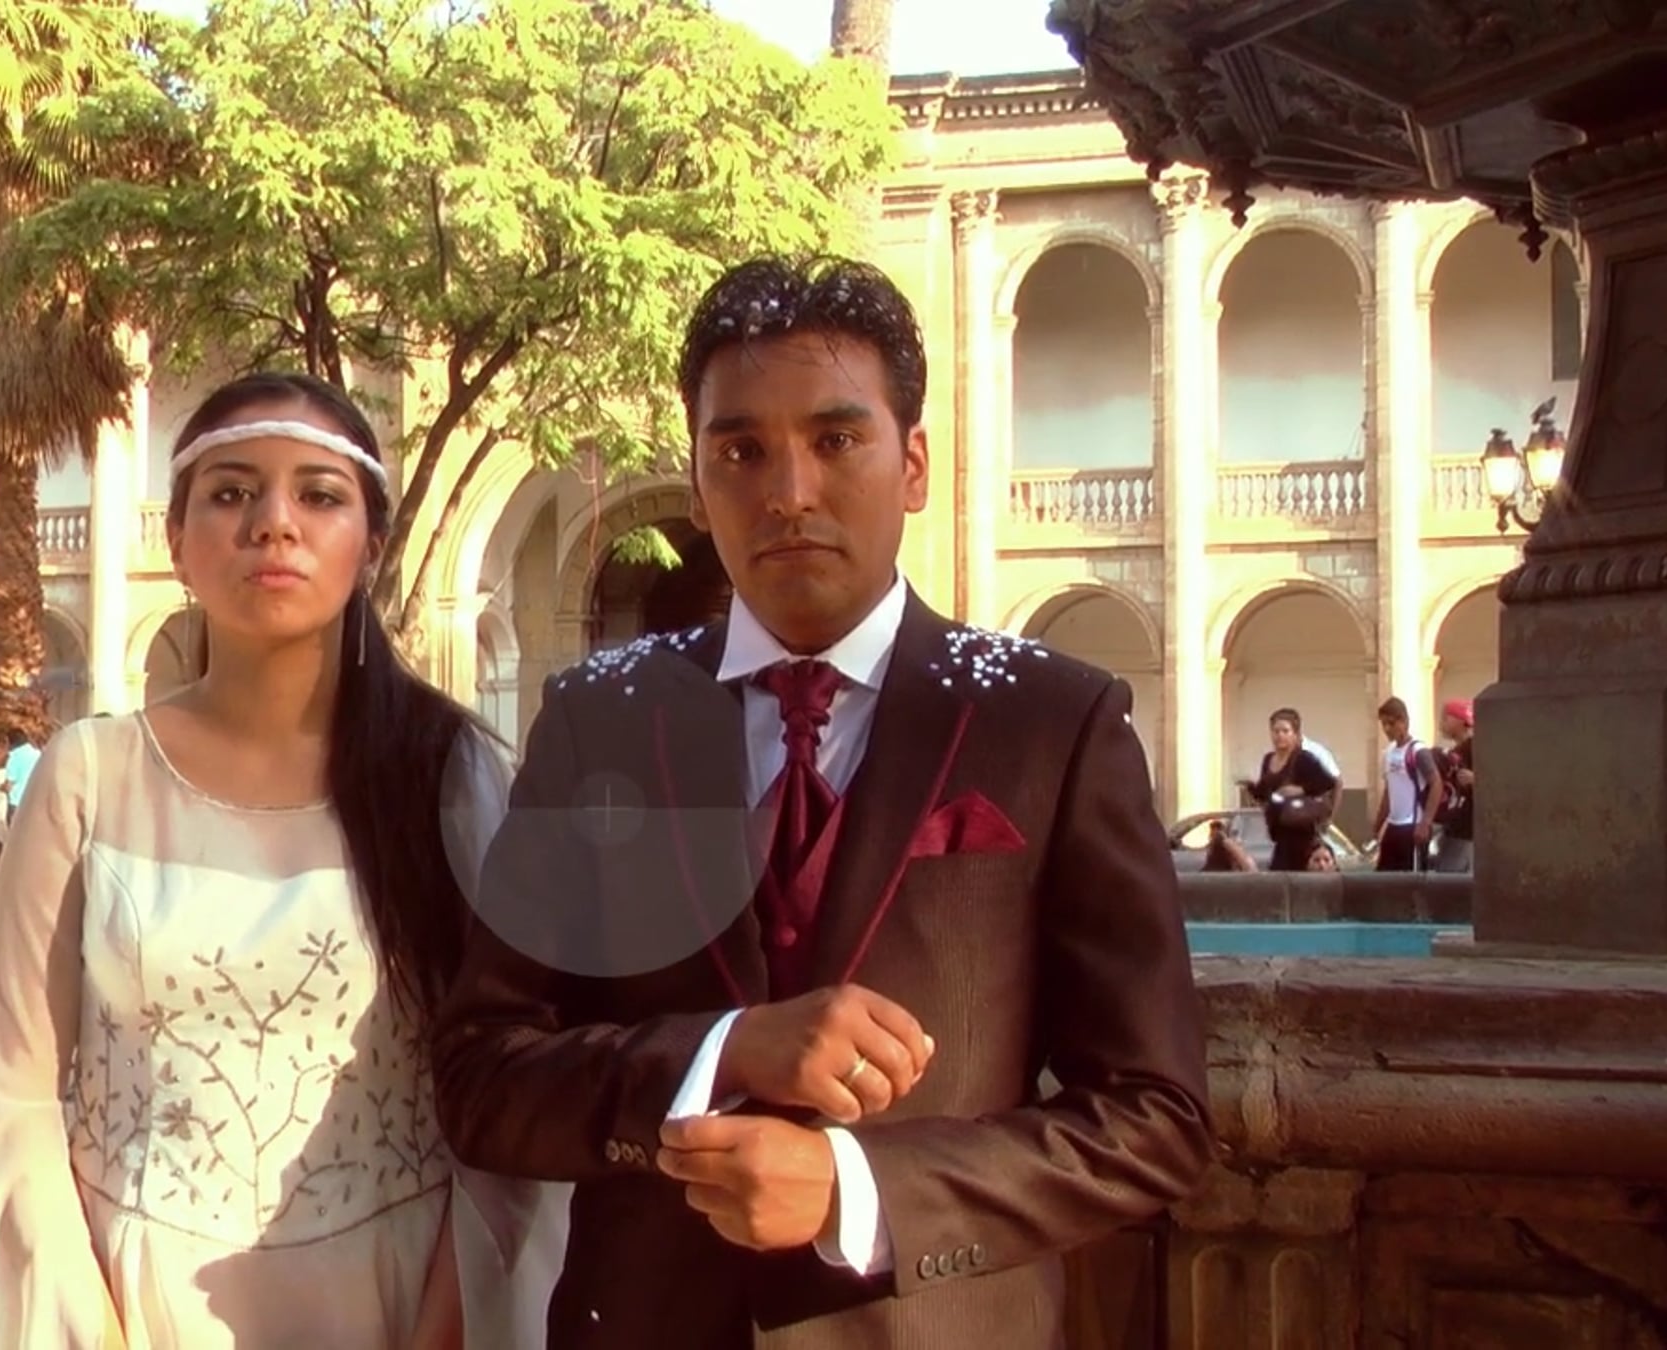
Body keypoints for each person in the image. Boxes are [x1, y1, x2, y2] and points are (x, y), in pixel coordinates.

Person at [429, 257, 1211, 1348]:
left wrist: (859, 1186)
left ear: (914, 463)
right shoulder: (599, 717)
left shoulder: (1052, 721)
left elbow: (1155, 1118)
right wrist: (721, 1054)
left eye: (836, 440)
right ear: (698, 478)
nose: (788, 492)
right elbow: (481, 1077)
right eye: (741, 451)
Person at [0, 372, 565, 1350]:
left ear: (371, 543)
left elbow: (503, 1093)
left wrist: (441, 1327)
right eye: (231, 493)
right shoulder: (90, 776)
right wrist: (94, 1324)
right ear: (176, 541)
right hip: (132, 1306)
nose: (273, 524)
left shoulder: (451, 776)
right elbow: (15, 1096)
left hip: (400, 1303)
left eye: (319, 494)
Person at [1240, 707, 1340, 872]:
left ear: (1295, 734)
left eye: (1285, 731)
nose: (1280, 735)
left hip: (1301, 830)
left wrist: (1301, 790)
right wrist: (1251, 787)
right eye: (1276, 731)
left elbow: (1329, 782)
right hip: (1279, 831)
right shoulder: (1268, 759)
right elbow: (1265, 792)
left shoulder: (1304, 759)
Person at [1370, 696, 1439, 872]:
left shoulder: (1417, 751)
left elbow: (1436, 784)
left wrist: (1425, 823)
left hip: (1413, 825)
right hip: (1394, 825)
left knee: (1410, 879)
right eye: (1384, 724)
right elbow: (1389, 791)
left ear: (1404, 721)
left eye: (1391, 723)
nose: (1387, 729)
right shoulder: (1388, 753)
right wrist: (1378, 823)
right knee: (1384, 876)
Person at [1432, 699, 1476, 874]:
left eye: (1445, 718)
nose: (1441, 723)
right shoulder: (1452, 753)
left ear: (1460, 720)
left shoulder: (1476, 747)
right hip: (1453, 828)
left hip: (1467, 832)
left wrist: (1475, 780)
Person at [0, 729, 40, 825]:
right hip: (34, 801)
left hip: (17, 803)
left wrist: (2, 788)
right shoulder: (38, 754)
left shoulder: (14, 757)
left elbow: (9, 785)